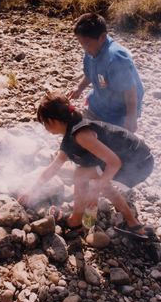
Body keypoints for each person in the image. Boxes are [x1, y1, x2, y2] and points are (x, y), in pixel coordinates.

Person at [18, 92, 154, 239]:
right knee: (89, 176)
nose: (45, 127)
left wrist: (96, 190)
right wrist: (30, 191)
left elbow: (114, 163)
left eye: (44, 123)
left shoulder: (81, 135)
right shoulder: (72, 132)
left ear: (52, 121)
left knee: (83, 175)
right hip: (135, 158)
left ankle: (75, 220)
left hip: (138, 162)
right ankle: (132, 223)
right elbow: (53, 168)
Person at [69, 13, 144, 133]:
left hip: (120, 111)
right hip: (100, 101)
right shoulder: (91, 50)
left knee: (113, 145)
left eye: (87, 43)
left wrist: (131, 118)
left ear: (102, 37)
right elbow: (90, 73)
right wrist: (79, 88)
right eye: (81, 43)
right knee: (84, 135)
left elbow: (130, 90)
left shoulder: (116, 58)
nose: (84, 48)